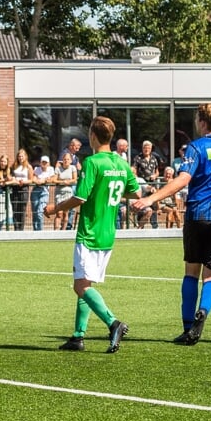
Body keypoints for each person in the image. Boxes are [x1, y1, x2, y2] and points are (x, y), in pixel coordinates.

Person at [131, 103, 211, 345]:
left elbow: (183, 179)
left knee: (192, 272)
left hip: (198, 215)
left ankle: (188, 327)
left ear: (202, 122)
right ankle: (204, 311)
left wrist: (150, 198)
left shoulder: (196, 147)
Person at [46, 115, 138, 353]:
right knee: (85, 282)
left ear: (93, 136)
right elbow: (135, 193)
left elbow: (79, 198)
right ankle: (78, 336)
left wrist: (55, 208)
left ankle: (113, 323)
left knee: (80, 286)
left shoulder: (92, 162)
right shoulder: (120, 163)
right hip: (108, 233)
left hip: (90, 232)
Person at [52, 151, 77, 230]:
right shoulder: (58, 169)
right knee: (59, 213)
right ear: (62, 160)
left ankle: (63, 231)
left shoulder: (73, 168)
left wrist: (68, 182)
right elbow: (54, 180)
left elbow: (75, 179)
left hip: (68, 192)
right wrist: (62, 182)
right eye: (65, 159)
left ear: (70, 160)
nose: (66, 161)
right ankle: (55, 231)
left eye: (68, 159)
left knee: (66, 213)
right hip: (59, 192)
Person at [31, 155, 55, 231]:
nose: (44, 164)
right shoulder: (37, 169)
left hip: (44, 191)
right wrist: (38, 181)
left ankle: (40, 231)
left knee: (40, 211)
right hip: (36, 190)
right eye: (43, 162)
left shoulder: (51, 169)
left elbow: (52, 178)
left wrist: (44, 180)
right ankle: (35, 230)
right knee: (35, 212)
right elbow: (33, 178)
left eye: (46, 162)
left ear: (48, 163)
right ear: (40, 162)